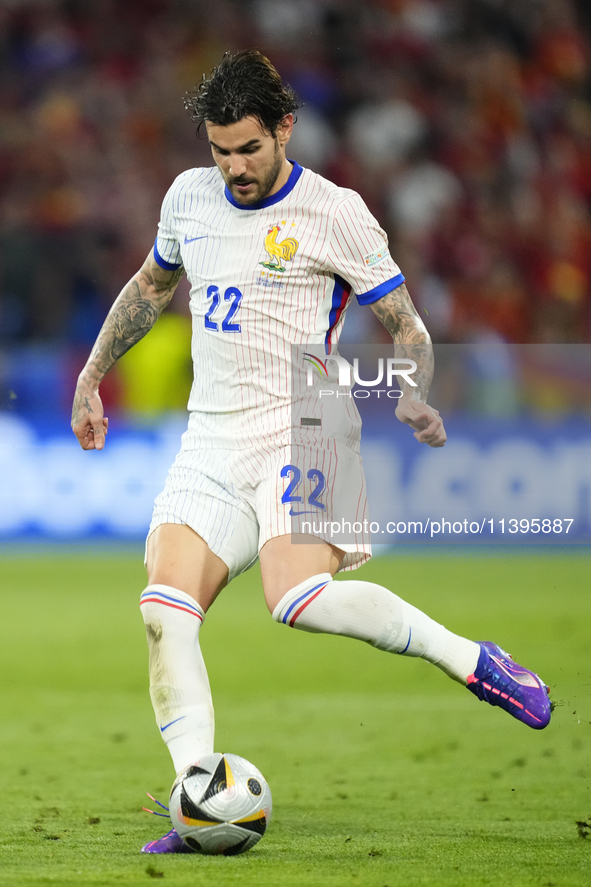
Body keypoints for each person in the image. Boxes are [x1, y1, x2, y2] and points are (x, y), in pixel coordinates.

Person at [71, 50, 551, 855]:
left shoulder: (336, 211)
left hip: (310, 417)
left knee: (298, 600)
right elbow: (152, 287)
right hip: (212, 434)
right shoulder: (189, 197)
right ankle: (198, 798)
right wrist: (91, 375)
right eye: (221, 150)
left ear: (285, 128)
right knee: (162, 613)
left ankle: (473, 658)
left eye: (249, 149)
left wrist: (411, 388)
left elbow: (407, 324)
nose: (234, 167)